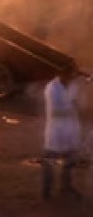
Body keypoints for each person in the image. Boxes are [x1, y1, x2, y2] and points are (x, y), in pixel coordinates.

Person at [43, 65, 83, 200]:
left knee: (70, 160)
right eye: (72, 75)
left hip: (70, 128)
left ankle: (66, 186)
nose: (73, 78)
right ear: (63, 74)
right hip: (56, 130)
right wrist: (74, 110)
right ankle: (47, 190)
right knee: (50, 161)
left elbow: (75, 102)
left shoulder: (72, 86)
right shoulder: (52, 89)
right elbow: (56, 112)